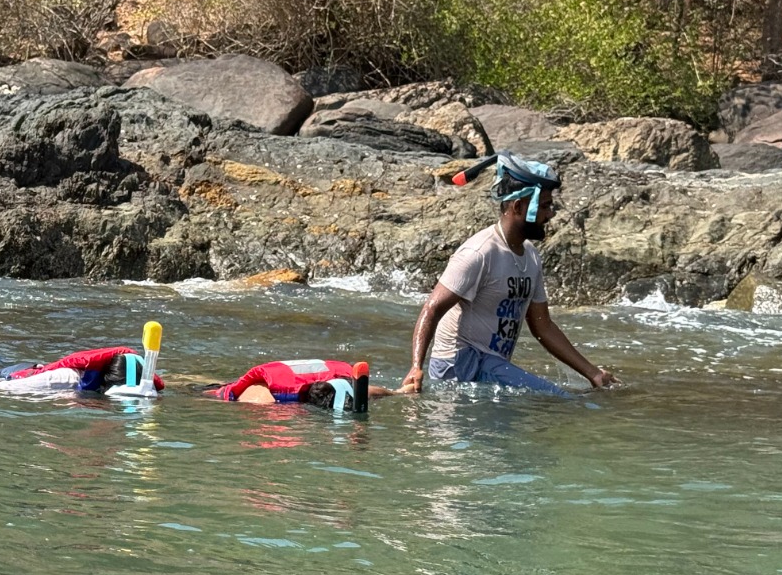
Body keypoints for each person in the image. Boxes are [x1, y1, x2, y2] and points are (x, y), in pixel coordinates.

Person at [401, 153, 616, 395]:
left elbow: (542, 326)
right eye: (545, 206)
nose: (551, 214)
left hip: (492, 364)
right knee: (557, 399)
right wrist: (416, 367)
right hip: (459, 364)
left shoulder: (531, 256)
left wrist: (593, 373)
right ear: (518, 206)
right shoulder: (479, 253)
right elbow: (432, 307)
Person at [0, 344, 164, 394]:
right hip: (23, 374)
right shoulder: (65, 379)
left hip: (33, 366)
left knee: (2, 365)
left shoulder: (142, 383)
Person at [208, 358, 395, 409]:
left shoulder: (345, 383)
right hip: (229, 393)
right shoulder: (266, 399)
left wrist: (402, 392)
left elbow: (372, 392)